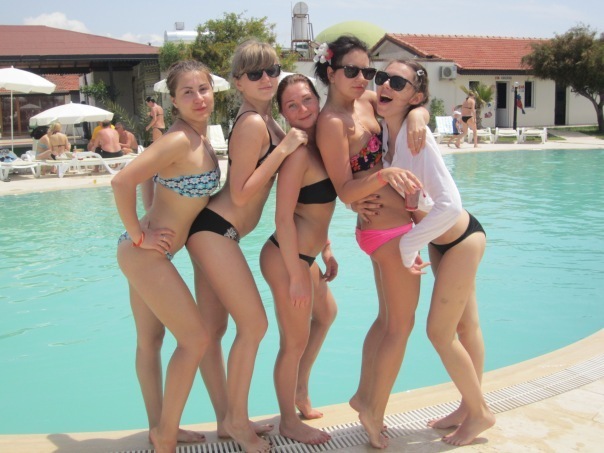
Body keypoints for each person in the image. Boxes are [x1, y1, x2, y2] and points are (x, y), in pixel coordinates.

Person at [186, 39, 307, 453]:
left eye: (272, 70)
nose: (266, 78)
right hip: (216, 231)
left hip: (215, 231)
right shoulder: (253, 124)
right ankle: (237, 421)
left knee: (214, 331)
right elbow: (239, 194)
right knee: (254, 326)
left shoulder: (266, 119)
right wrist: (285, 149)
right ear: (238, 82)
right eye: (255, 73)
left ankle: (226, 418)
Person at [313, 36, 429, 449]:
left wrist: (420, 115)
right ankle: (374, 411)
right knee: (401, 325)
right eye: (352, 70)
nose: (362, 78)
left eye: (367, 70)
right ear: (331, 73)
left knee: (386, 320)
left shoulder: (366, 101)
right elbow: (344, 188)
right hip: (386, 231)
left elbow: (409, 104)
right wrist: (383, 176)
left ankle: (364, 397)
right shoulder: (331, 122)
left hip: (392, 226)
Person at [375, 59, 495, 446]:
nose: (385, 85)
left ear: (415, 96)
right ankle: (467, 406)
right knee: (466, 327)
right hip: (442, 242)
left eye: (398, 82)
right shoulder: (386, 128)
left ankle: (479, 413)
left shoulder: (418, 137)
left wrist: (408, 245)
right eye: (382, 77)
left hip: (460, 240)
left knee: (439, 333)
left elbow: (449, 204)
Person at [112, 60, 221, 453]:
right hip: (145, 255)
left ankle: (159, 426)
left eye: (203, 89)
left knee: (151, 341)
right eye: (187, 92)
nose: (198, 98)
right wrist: (140, 234)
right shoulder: (178, 140)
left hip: (146, 254)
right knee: (196, 339)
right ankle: (166, 435)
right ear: (173, 100)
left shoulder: (198, 137)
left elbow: (147, 175)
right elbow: (121, 180)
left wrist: (148, 213)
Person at [259, 74, 337, 445]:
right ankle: (288, 420)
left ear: (318, 99)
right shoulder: (299, 154)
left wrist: (326, 248)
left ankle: (301, 389)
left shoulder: (321, 145)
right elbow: (283, 218)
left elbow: (315, 209)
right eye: (292, 105)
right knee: (293, 342)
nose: (302, 109)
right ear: (284, 114)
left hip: (306, 255)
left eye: (307, 99)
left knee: (327, 314)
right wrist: (295, 275)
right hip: (285, 258)